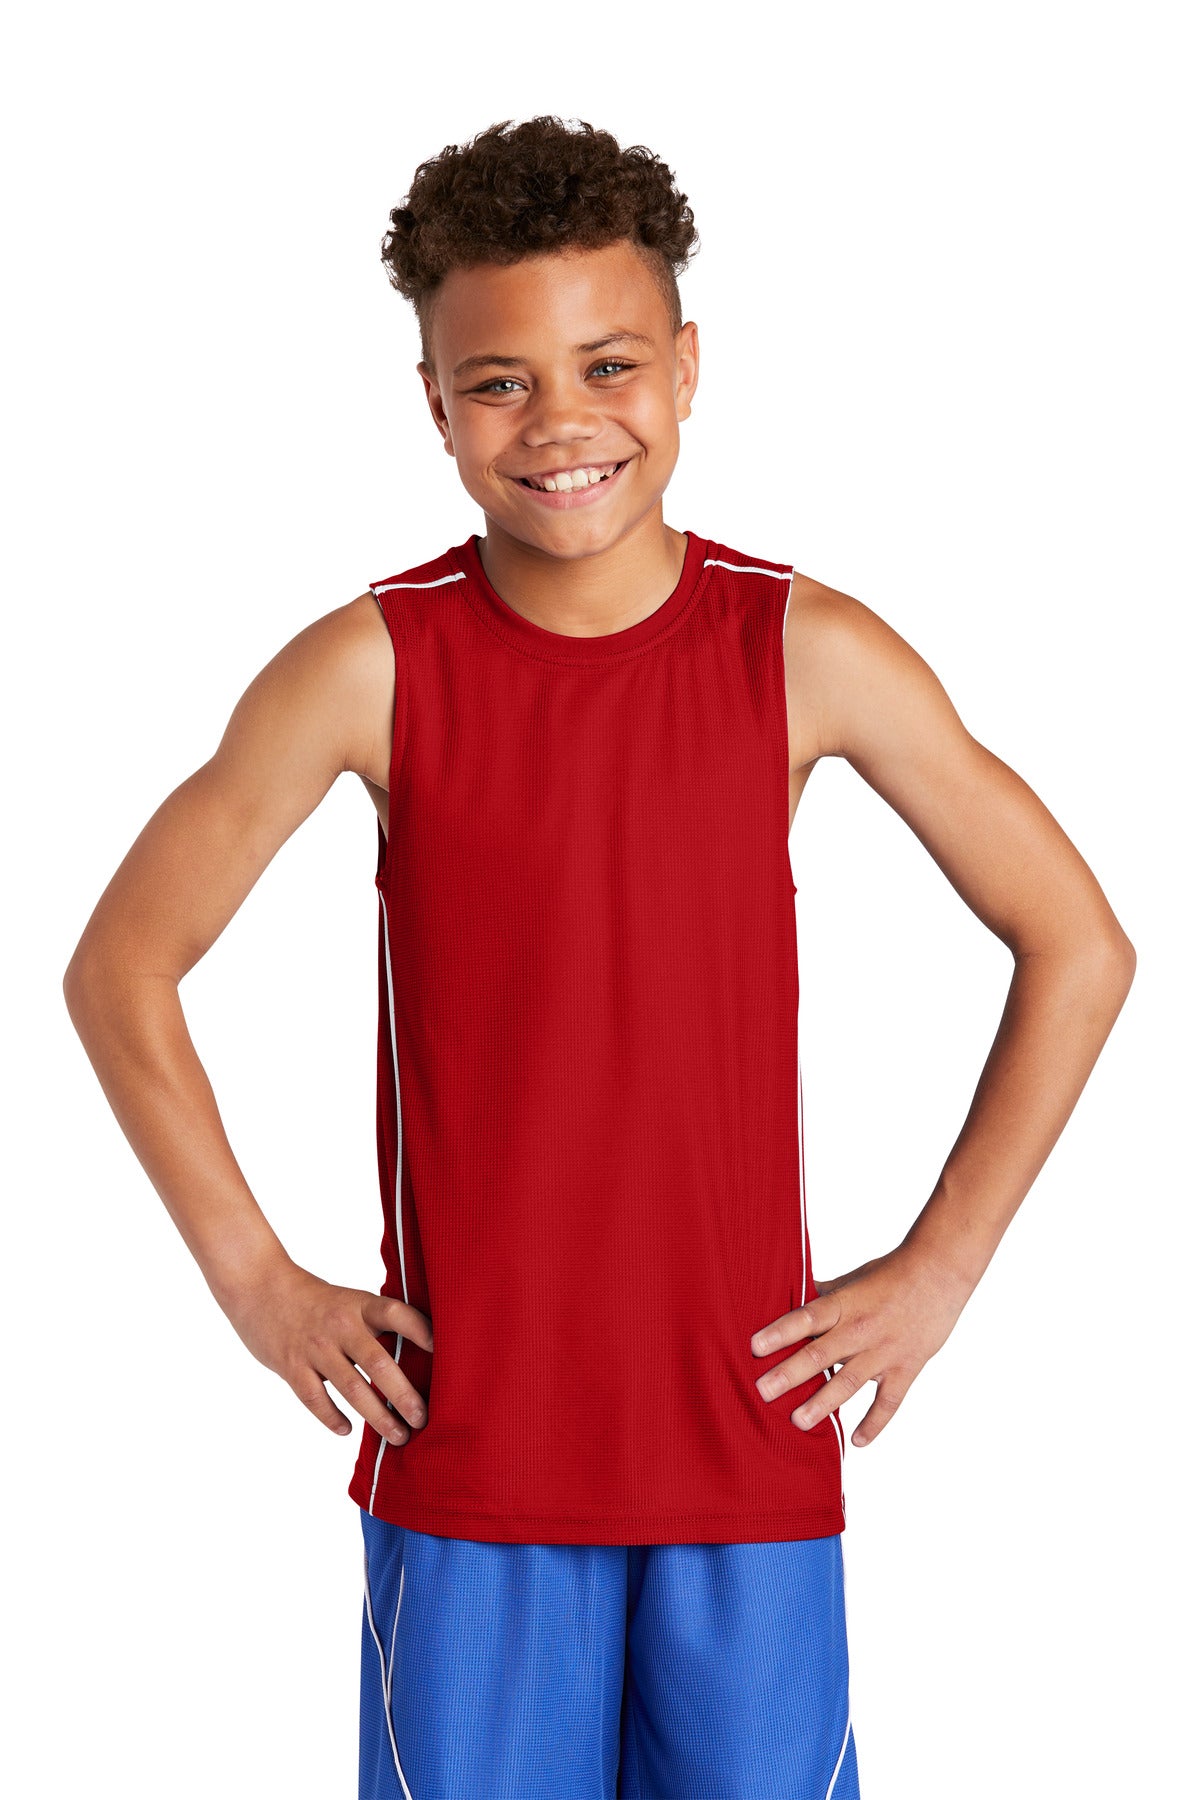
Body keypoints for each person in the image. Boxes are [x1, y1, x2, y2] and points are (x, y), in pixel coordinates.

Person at [62, 114, 1136, 1799]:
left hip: (745, 1446)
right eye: (498, 382)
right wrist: (258, 1283)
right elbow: (121, 965)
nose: (561, 422)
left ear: (688, 369)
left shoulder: (803, 648)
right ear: (435, 405)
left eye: (609, 365)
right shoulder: (371, 666)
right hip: (474, 1455)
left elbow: (1077, 940)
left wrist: (942, 1266)